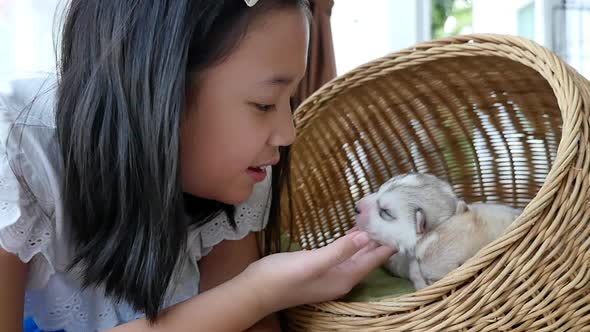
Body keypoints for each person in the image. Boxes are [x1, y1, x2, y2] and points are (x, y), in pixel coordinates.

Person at [0, 1, 396, 331]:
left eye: (289, 100)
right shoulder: (17, 158)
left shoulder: (238, 171)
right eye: (264, 104)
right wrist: (256, 293)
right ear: (159, 87)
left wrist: (257, 297)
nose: (287, 133)